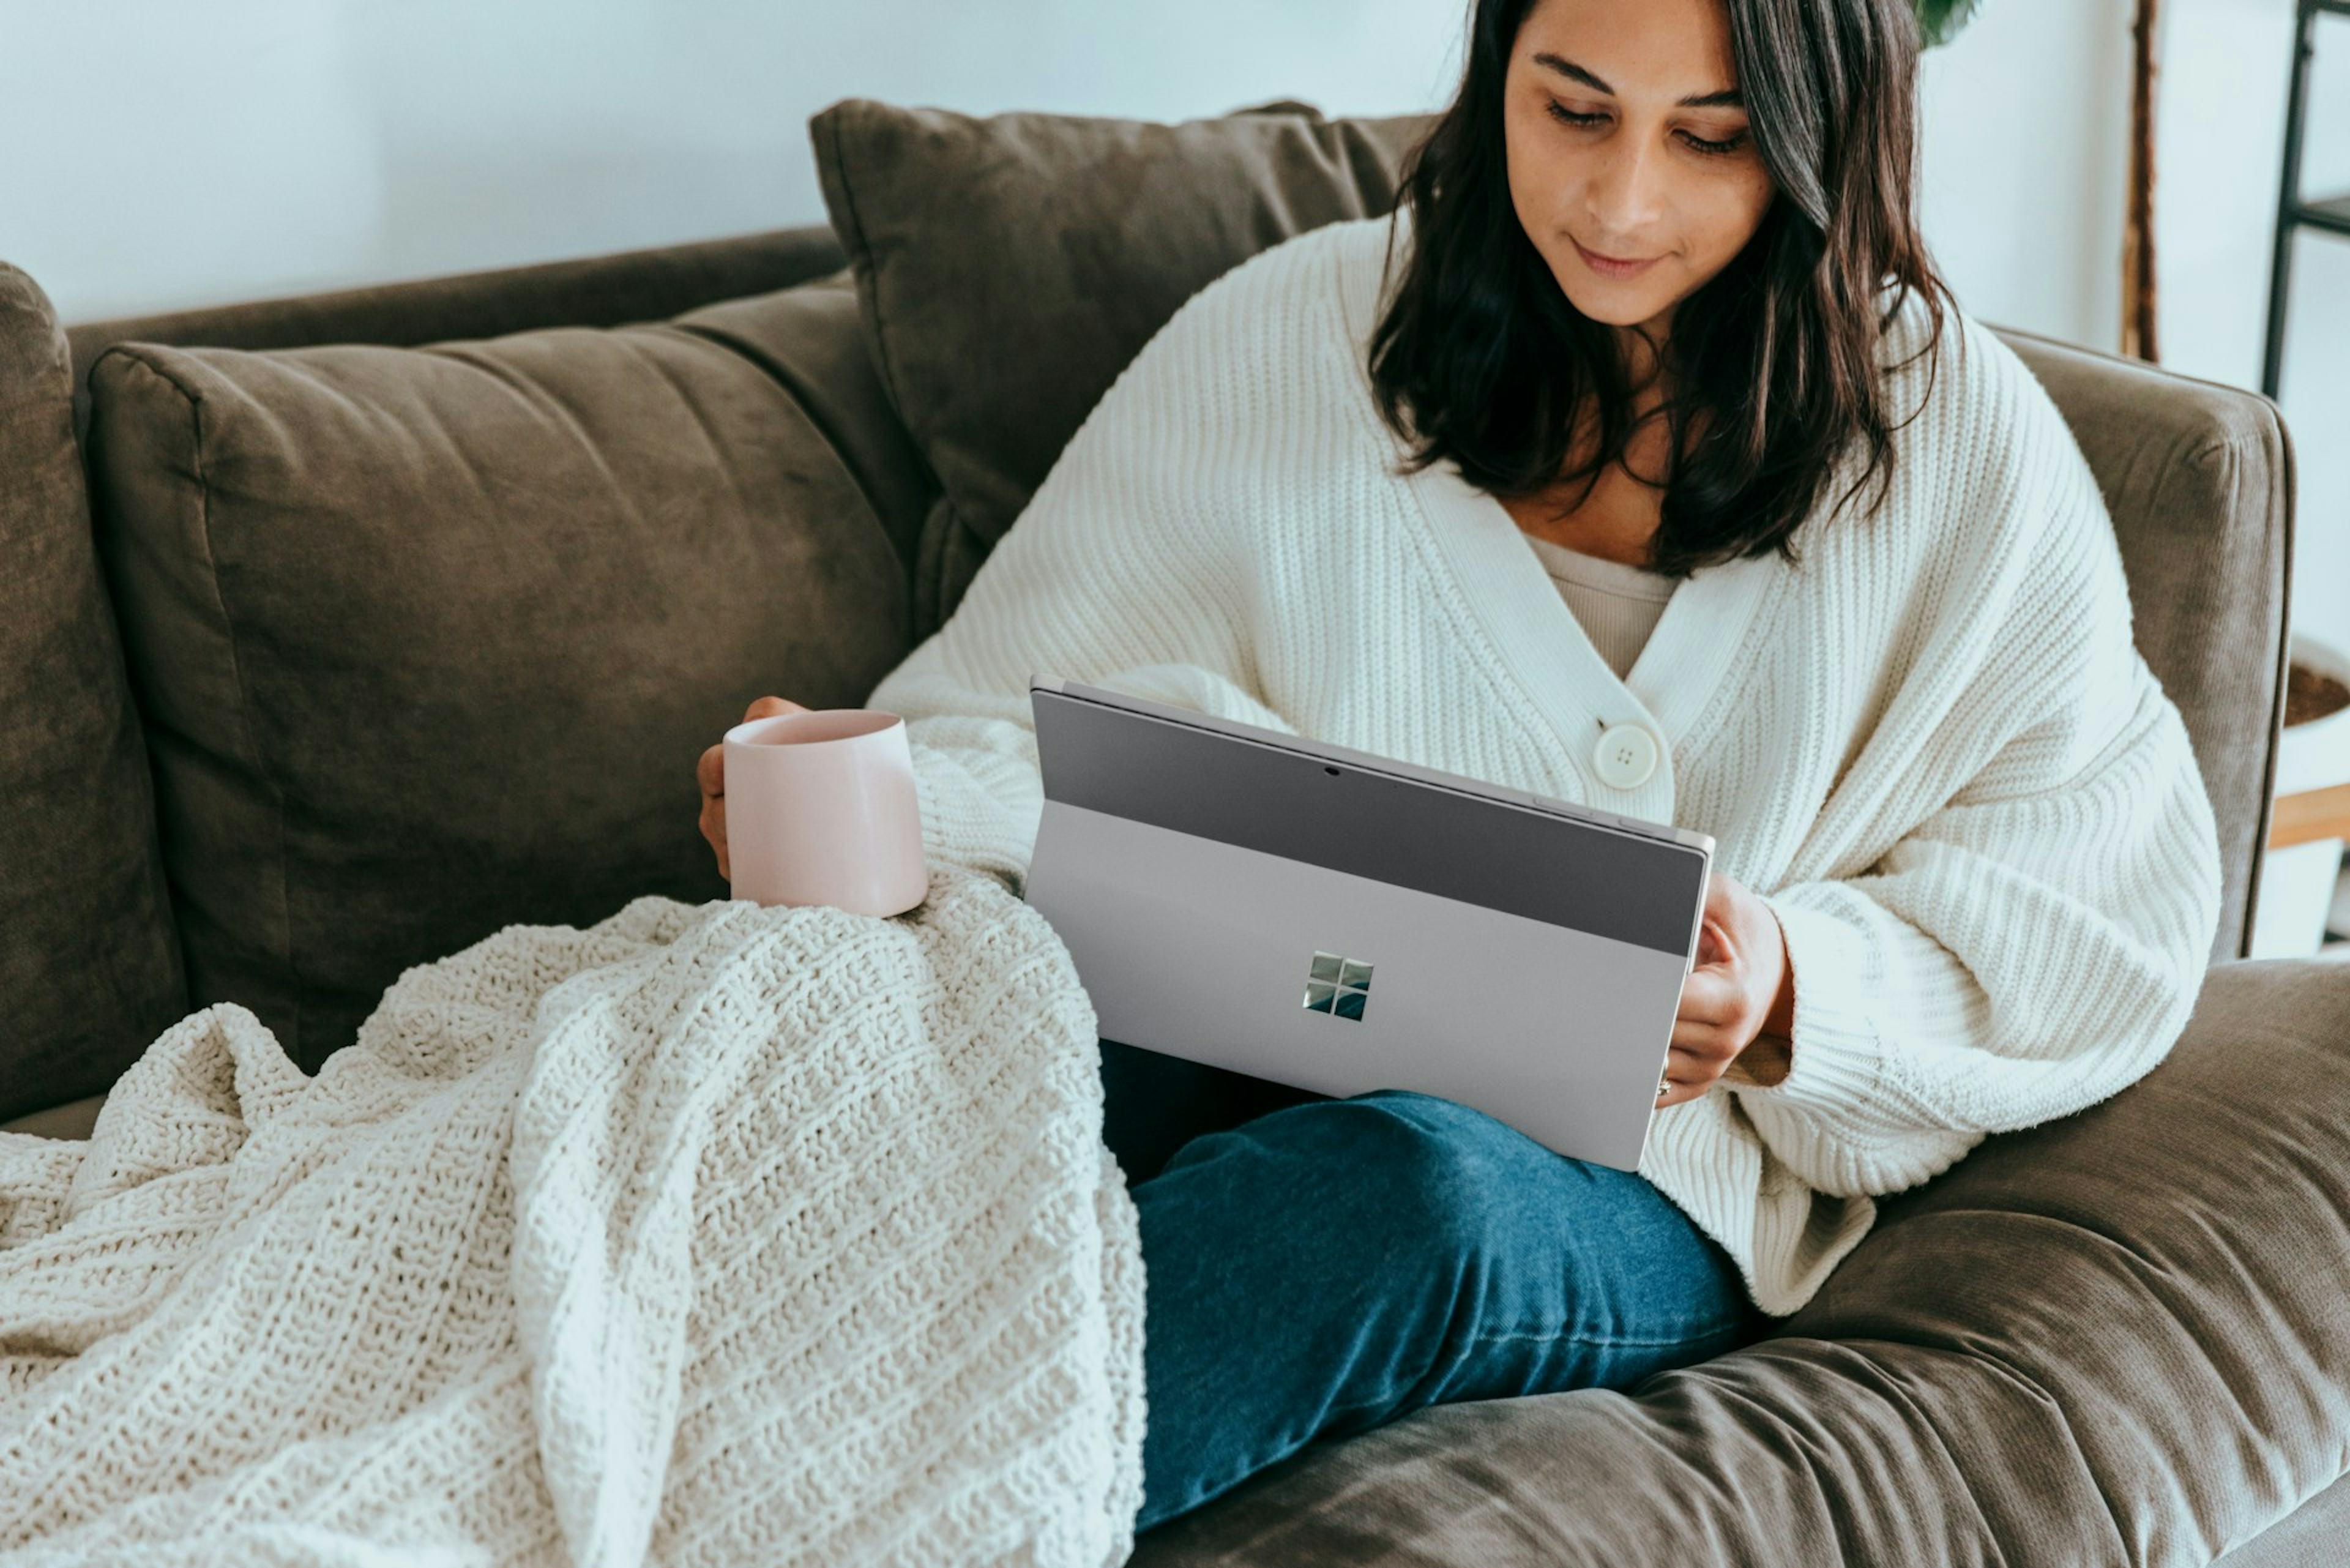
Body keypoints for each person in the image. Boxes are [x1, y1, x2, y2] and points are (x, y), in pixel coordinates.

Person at [698, 0, 2223, 1534]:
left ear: (1825, 143)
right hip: (1243, 1026)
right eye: (1571, 109)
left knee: (1402, 1193)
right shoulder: (1299, 332)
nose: (1623, 202)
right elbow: (1013, 719)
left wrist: (1787, 992)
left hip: (1638, 1179)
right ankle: (681, 1406)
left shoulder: (1951, 444)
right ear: (1498, 74)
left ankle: (832, 1524)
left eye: (1710, 139)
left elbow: (2104, 904)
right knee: (1014, 1045)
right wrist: (879, 793)